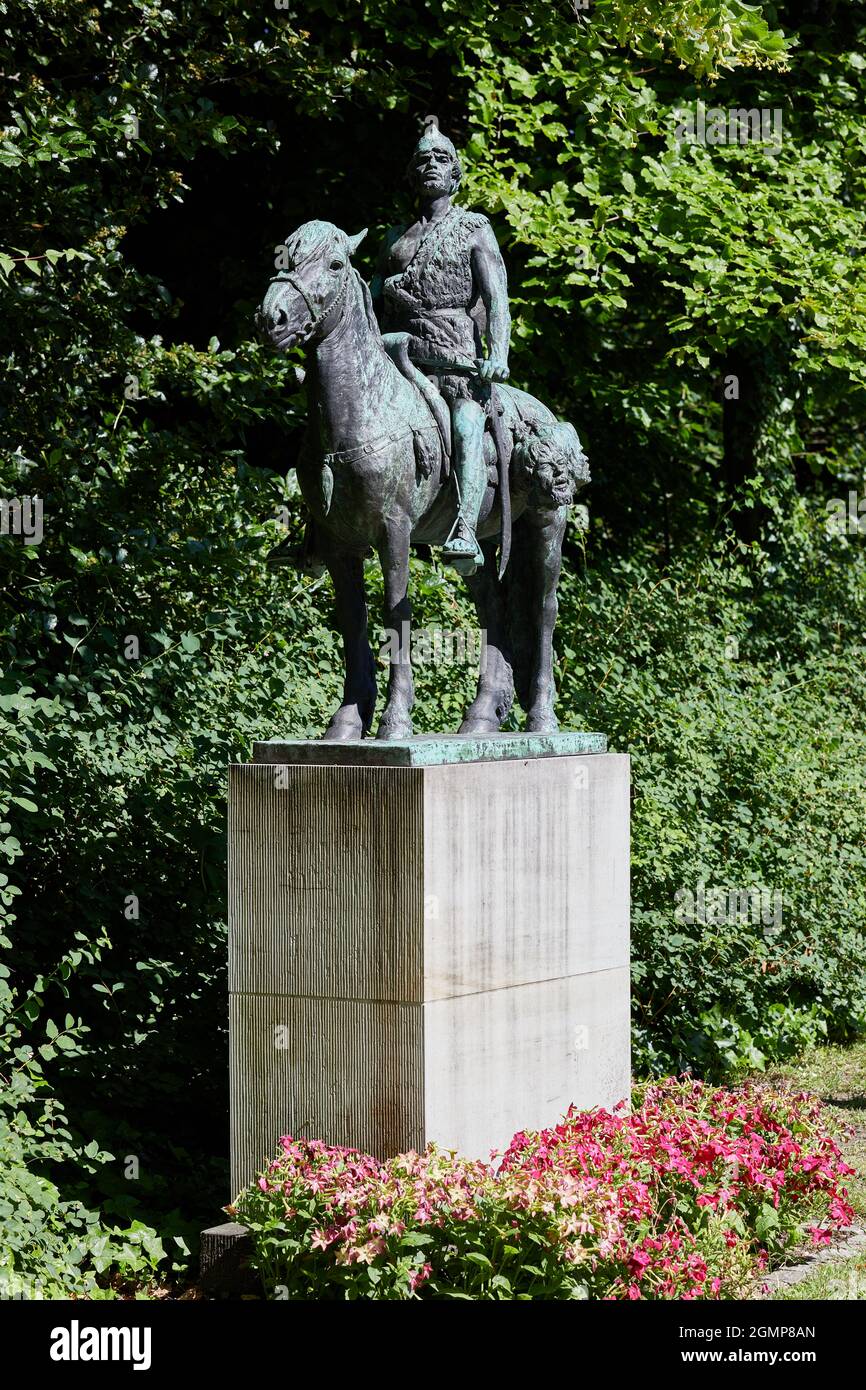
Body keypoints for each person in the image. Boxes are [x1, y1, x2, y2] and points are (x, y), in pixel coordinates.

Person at [371, 116, 511, 573]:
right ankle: (318, 527)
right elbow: (368, 306)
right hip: (397, 357)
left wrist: (498, 356)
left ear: (455, 173)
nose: (431, 164)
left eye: (442, 158)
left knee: (468, 426)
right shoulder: (395, 240)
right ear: (412, 175)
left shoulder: (474, 228)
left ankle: (466, 529)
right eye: (422, 159)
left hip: (457, 363)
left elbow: (497, 299)